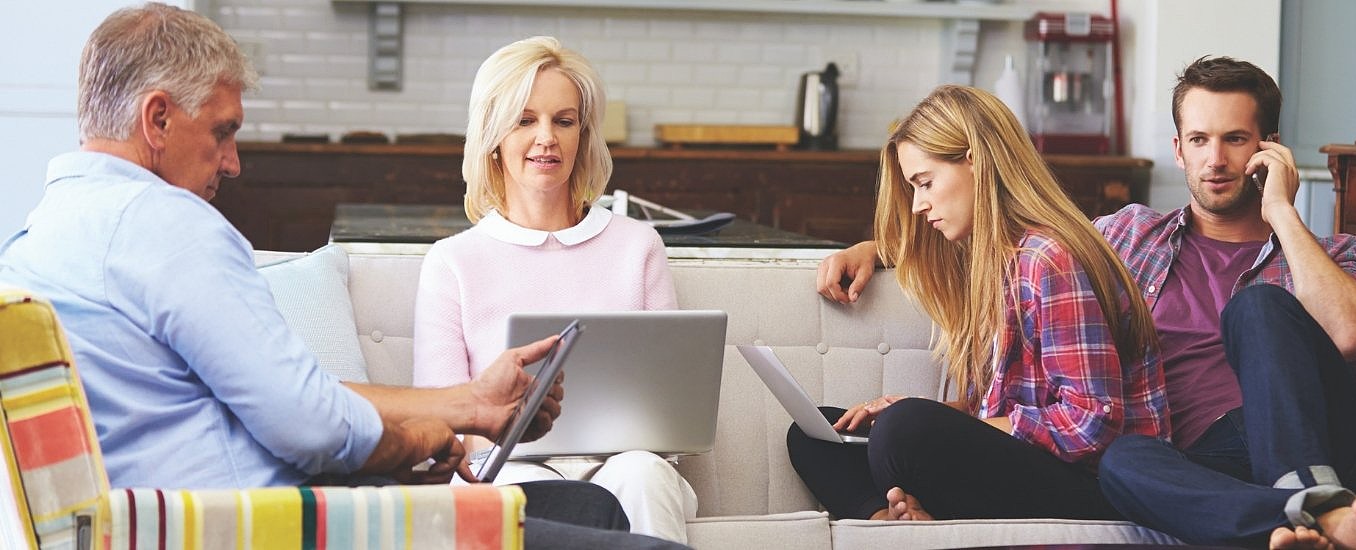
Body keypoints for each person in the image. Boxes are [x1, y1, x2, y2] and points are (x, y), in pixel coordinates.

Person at [0, 4, 685, 549]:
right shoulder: (169, 227)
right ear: (157, 118)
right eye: (222, 131)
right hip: (263, 523)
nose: (233, 162)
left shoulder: (36, 243)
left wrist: (468, 403)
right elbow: (308, 426)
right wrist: (423, 441)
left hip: (160, 514)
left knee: (593, 505)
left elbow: (284, 392)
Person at [817, 57, 1356, 550]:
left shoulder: (1334, 253)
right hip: (1194, 470)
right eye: (1199, 139)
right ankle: (1307, 523)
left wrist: (1280, 212)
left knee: (1258, 310)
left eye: (1236, 139)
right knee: (1124, 460)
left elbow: (1354, 334)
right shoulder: (1126, 236)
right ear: (1177, 149)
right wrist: (879, 246)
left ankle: (1314, 496)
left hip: (1320, 447)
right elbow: (1021, 232)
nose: (1216, 159)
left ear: (1269, 149)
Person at [786, 85, 1169, 523]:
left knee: (904, 431)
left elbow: (1090, 425)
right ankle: (892, 520)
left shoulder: (1050, 259)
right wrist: (872, 249)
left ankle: (907, 509)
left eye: (925, 183)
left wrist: (930, 421)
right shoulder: (995, 260)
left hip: (1100, 491)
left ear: (975, 160)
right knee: (816, 432)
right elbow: (1005, 406)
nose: (918, 205)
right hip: (1037, 467)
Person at [411, 36, 695, 543]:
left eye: (564, 121)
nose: (547, 138)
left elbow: (667, 415)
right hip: (507, 468)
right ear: (493, 136)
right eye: (525, 120)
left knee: (645, 473)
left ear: (583, 136)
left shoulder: (638, 246)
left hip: (624, 464)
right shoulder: (452, 261)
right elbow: (443, 419)